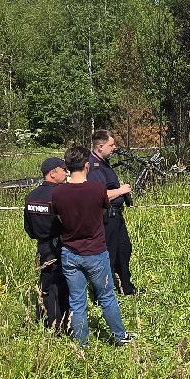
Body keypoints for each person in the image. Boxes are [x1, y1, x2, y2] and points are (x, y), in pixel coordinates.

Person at [50, 145, 131, 348]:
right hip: (95, 251)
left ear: (67, 167)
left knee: (77, 301)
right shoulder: (96, 190)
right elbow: (105, 205)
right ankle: (120, 336)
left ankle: (82, 344)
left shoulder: (58, 193)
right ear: (87, 166)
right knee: (107, 297)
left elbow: (59, 217)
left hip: (70, 253)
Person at [88, 130, 142, 296]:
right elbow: (100, 196)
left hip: (116, 216)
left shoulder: (104, 162)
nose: (114, 148)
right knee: (109, 255)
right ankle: (105, 293)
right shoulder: (93, 166)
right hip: (106, 218)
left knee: (124, 249)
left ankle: (126, 287)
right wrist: (121, 190)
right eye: (111, 145)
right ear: (100, 146)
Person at [23, 155, 70, 330]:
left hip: (42, 246)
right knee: (60, 286)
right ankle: (58, 324)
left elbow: (28, 228)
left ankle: (42, 319)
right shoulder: (60, 195)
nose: (66, 173)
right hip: (59, 245)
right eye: (63, 170)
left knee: (45, 283)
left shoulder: (31, 196)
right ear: (52, 173)